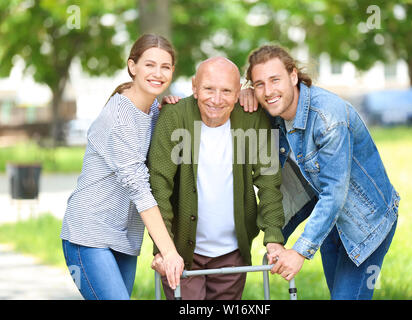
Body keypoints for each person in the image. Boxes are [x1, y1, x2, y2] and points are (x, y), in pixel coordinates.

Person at [240, 45, 400, 300]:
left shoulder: (328, 118)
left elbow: (335, 191)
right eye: (259, 84)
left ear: (293, 76)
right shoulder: (274, 109)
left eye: (275, 80)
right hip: (329, 219)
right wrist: (243, 93)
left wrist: (300, 252)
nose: (268, 91)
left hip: (365, 220)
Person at [149, 57, 285, 300]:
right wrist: (163, 249)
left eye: (226, 91)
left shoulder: (254, 118)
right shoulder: (174, 116)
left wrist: (273, 238)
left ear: (238, 93)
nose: (216, 99)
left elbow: (269, 181)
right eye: (208, 89)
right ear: (194, 87)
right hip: (181, 253)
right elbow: (159, 186)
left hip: (232, 254)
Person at [60, 34, 184, 300]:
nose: (158, 73)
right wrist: (169, 251)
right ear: (132, 66)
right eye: (149, 65)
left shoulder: (152, 107)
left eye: (165, 67)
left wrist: (168, 112)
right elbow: (139, 188)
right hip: (88, 235)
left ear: (173, 71)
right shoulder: (119, 118)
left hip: (125, 238)